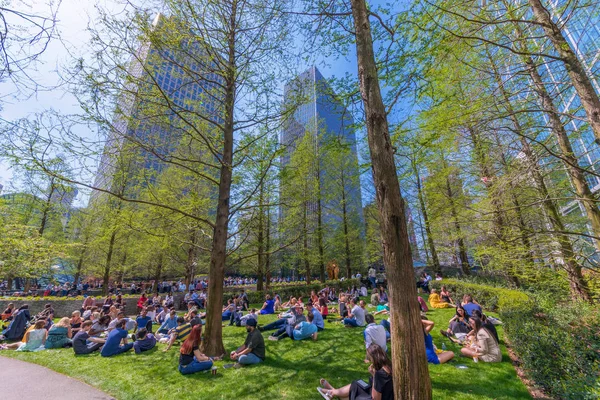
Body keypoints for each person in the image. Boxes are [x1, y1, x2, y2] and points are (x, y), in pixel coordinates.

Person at [317, 344, 393, 400]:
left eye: (369, 358)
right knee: (357, 383)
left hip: (377, 397)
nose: (369, 361)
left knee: (354, 390)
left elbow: (375, 398)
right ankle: (333, 391)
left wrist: (374, 376)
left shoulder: (380, 374)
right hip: (383, 395)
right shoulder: (389, 366)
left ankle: (331, 392)